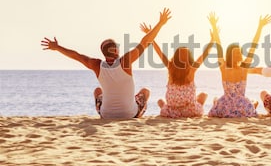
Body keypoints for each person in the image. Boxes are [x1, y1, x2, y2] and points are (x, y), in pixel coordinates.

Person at [41, 8, 172, 119]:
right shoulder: (125, 61)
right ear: (115, 50)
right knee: (145, 91)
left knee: (98, 91)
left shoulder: (96, 65)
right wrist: (160, 23)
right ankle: (136, 112)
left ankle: (111, 109)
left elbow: (76, 55)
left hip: (106, 115)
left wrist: (57, 47)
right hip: (131, 114)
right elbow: (145, 42)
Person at [140, 21, 215, 118]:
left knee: (160, 101)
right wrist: (212, 40)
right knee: (203, 95)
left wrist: (150, 35)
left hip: (171, 112)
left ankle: (165, 106)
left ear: (175, 57)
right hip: (190, 111)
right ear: (189, 58)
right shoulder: (192, 69)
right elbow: (204, 55)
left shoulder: (170, 67)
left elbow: (159, 52)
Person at [207, 12, 271, 118]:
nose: (240, 54)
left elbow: (218, 46)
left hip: (225, 106)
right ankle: (251, 105)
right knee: (253, 102)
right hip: (242, 106)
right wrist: (260, 27)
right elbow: (253, 45)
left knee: (215, 99)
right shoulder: (244, 68)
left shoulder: (223, 68)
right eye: (238, 53)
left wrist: (214, 26)